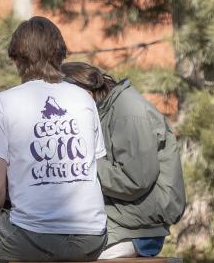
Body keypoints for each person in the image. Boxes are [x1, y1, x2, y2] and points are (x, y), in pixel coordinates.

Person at [0, 16, 108, 262]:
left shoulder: (1, 104)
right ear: (60, 54)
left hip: (34, 234)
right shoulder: (84, 99)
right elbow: (94, 168)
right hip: (92, 237)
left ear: (17, 58)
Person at [60, 62, 186, 259]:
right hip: (124, 221)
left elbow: (134, 180)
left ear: (84, 91)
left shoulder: (128, 112)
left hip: (139, 230)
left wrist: (79, 165)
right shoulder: (105, 110)